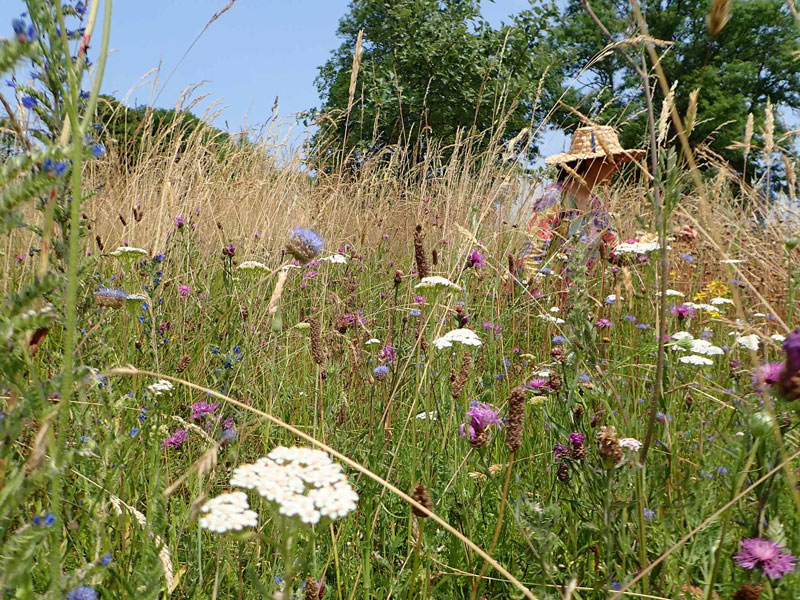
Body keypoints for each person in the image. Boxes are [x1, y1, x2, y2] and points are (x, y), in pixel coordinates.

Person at [515, 125, 644, 283]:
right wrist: (535, 296)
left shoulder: (595, 206)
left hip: (577, 300)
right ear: (591, 161)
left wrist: (659, 241)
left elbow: (615, 253)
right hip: (547, 296)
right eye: (613, 160)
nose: (618, 168)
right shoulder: (554, 198)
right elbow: (530, 255)